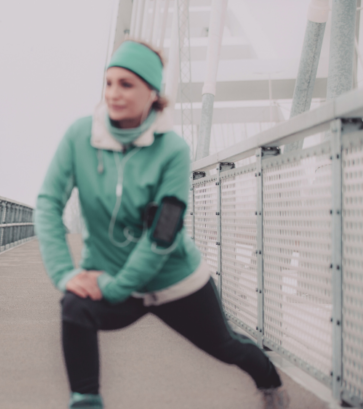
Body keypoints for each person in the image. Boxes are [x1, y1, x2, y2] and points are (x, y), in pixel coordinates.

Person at [34, 41, 289, 409]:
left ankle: (269, 379)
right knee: (75, 305)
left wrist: (118, 286)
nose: (113, 93)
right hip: (108, 272)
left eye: (126, 84)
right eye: (109, 83)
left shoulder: (172, 150)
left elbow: (163, 231)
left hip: (174, 280)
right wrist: (64, 273)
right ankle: (86, 402)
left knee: (226, 345)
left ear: (152, 93)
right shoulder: (80, 136)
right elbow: (47, 203)